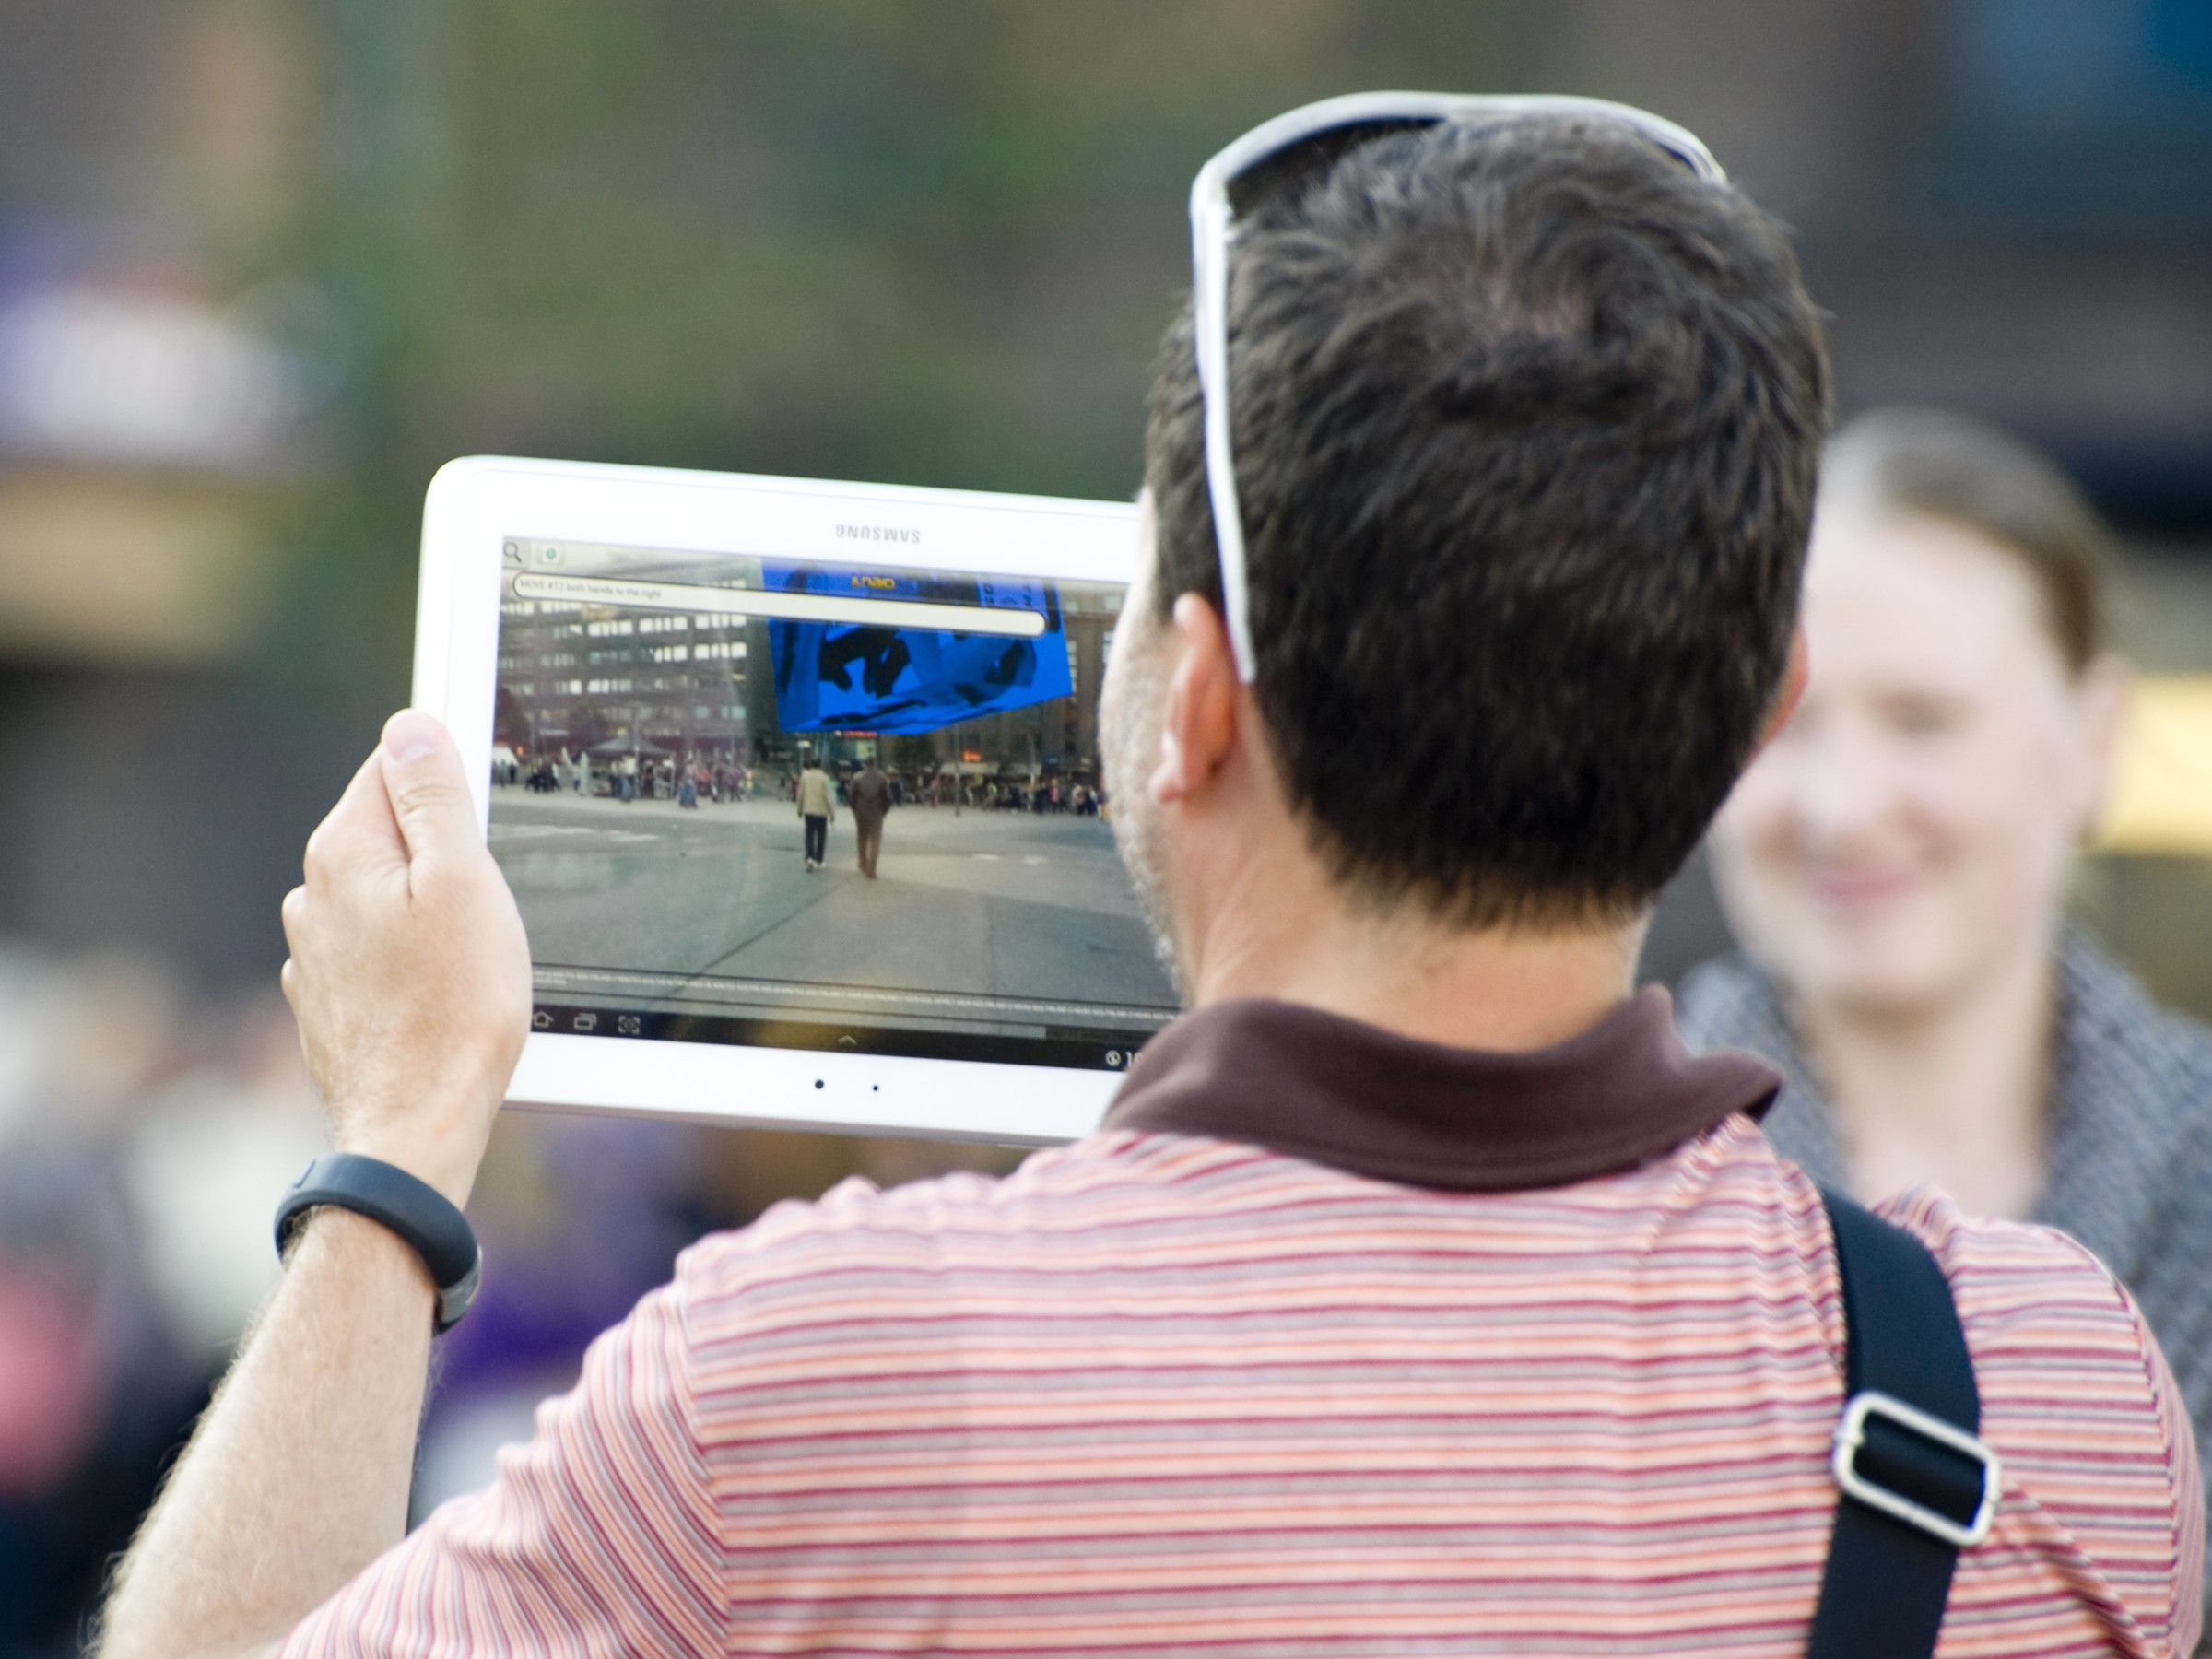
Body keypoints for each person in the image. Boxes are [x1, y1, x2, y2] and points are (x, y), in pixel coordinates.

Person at [100, 105, 2199, 1659]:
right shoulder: (2039, 1389)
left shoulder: (802, 1382)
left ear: (1186, 699)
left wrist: (393, 1149)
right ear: (1760, 715)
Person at [1677, 406, 2212, 1618]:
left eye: (1925, 721)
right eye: (1786, 722)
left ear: (2094, 739)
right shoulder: (1600, 1180)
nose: (1847, 804)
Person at [849, 758, 891, 878]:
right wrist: (883, 812)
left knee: (862, 839)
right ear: (875, 764)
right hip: (876, 814)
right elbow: (888, 798)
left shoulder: (857, 777)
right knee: (875, 841)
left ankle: (863, 862)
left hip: (861, 814)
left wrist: (855, 810)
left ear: (864, 765)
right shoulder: (882, 778)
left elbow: (851, 797)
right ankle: (871, 869)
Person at [795, 753, 834, 870]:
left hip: (809, 810)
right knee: (821, 836)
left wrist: (799, 809)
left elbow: (800, 794)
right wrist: (832, 813)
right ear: (821, 765)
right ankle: (819, 859)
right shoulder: (825, 778)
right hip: (822, 812)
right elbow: (828, 797)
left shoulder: (805, 777)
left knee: (809, 835)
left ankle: (809, 856)